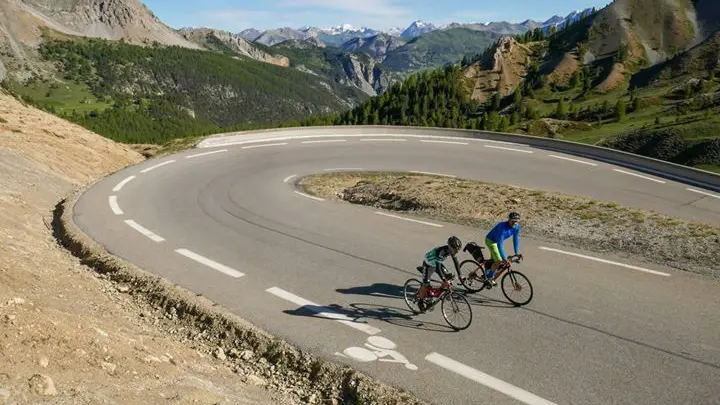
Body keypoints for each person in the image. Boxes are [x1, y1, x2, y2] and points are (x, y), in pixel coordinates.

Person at [414, 236, 461, 311]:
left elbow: (456, 262)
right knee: (426, 284)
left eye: (458, 250)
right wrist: (444, 280)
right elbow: (438, 269)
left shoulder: (451, 250)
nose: (456, 252)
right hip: (428, 264)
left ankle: (438, 291)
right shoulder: (441, 252)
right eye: (455, 250)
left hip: (437, 263)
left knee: (448, 276)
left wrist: (460, 275)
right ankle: (420, 301)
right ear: (450, 247)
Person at [482, 212, 522, 284]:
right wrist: (504, 258)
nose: (514, 223)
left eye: (516, 222)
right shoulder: (502, 227)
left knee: (495, 261)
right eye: (512, 221)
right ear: (509, 220)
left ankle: (488, 269)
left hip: (497, 242)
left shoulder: (517, 227)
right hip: (491, 241)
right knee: (499, 261)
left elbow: (515, 239)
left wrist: (517, 253)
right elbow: (500, 244)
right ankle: (489, 277)